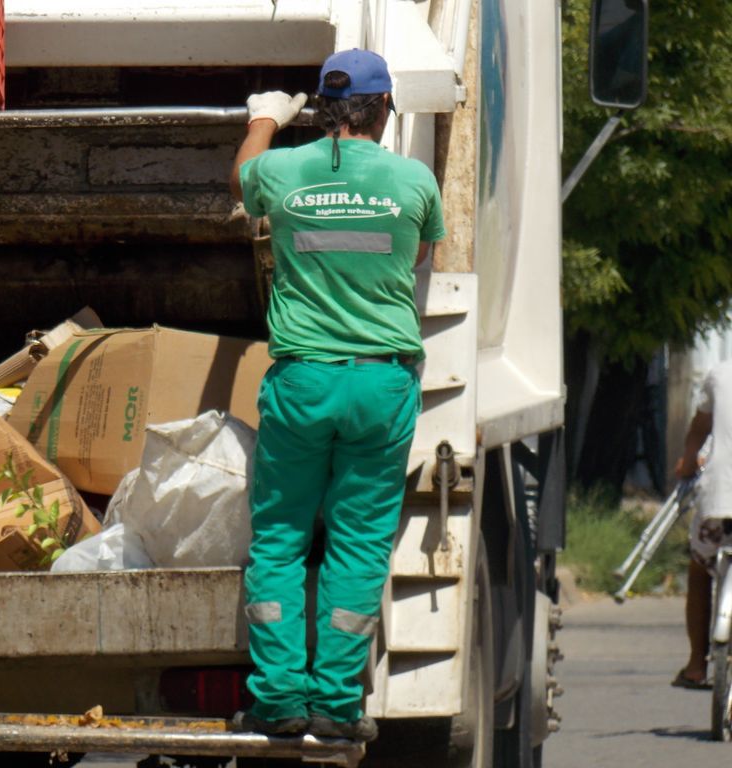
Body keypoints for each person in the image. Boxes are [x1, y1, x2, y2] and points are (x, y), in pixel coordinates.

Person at [228, 49, 446, 741]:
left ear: (323, 109)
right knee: (358, 546)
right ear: (383, 111)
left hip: (303, 380)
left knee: (282, 539)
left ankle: (279, 702)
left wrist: (264, 118)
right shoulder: (414, 181)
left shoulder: (284, 171)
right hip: (381, 383)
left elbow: (241, 179)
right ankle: (336, 708)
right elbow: (415, 255)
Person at [673, 359, 732, 689]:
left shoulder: (721, 373)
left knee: (699, 570)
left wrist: (686, 465)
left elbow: (699, 428)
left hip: (719, 503)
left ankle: (696, 663)